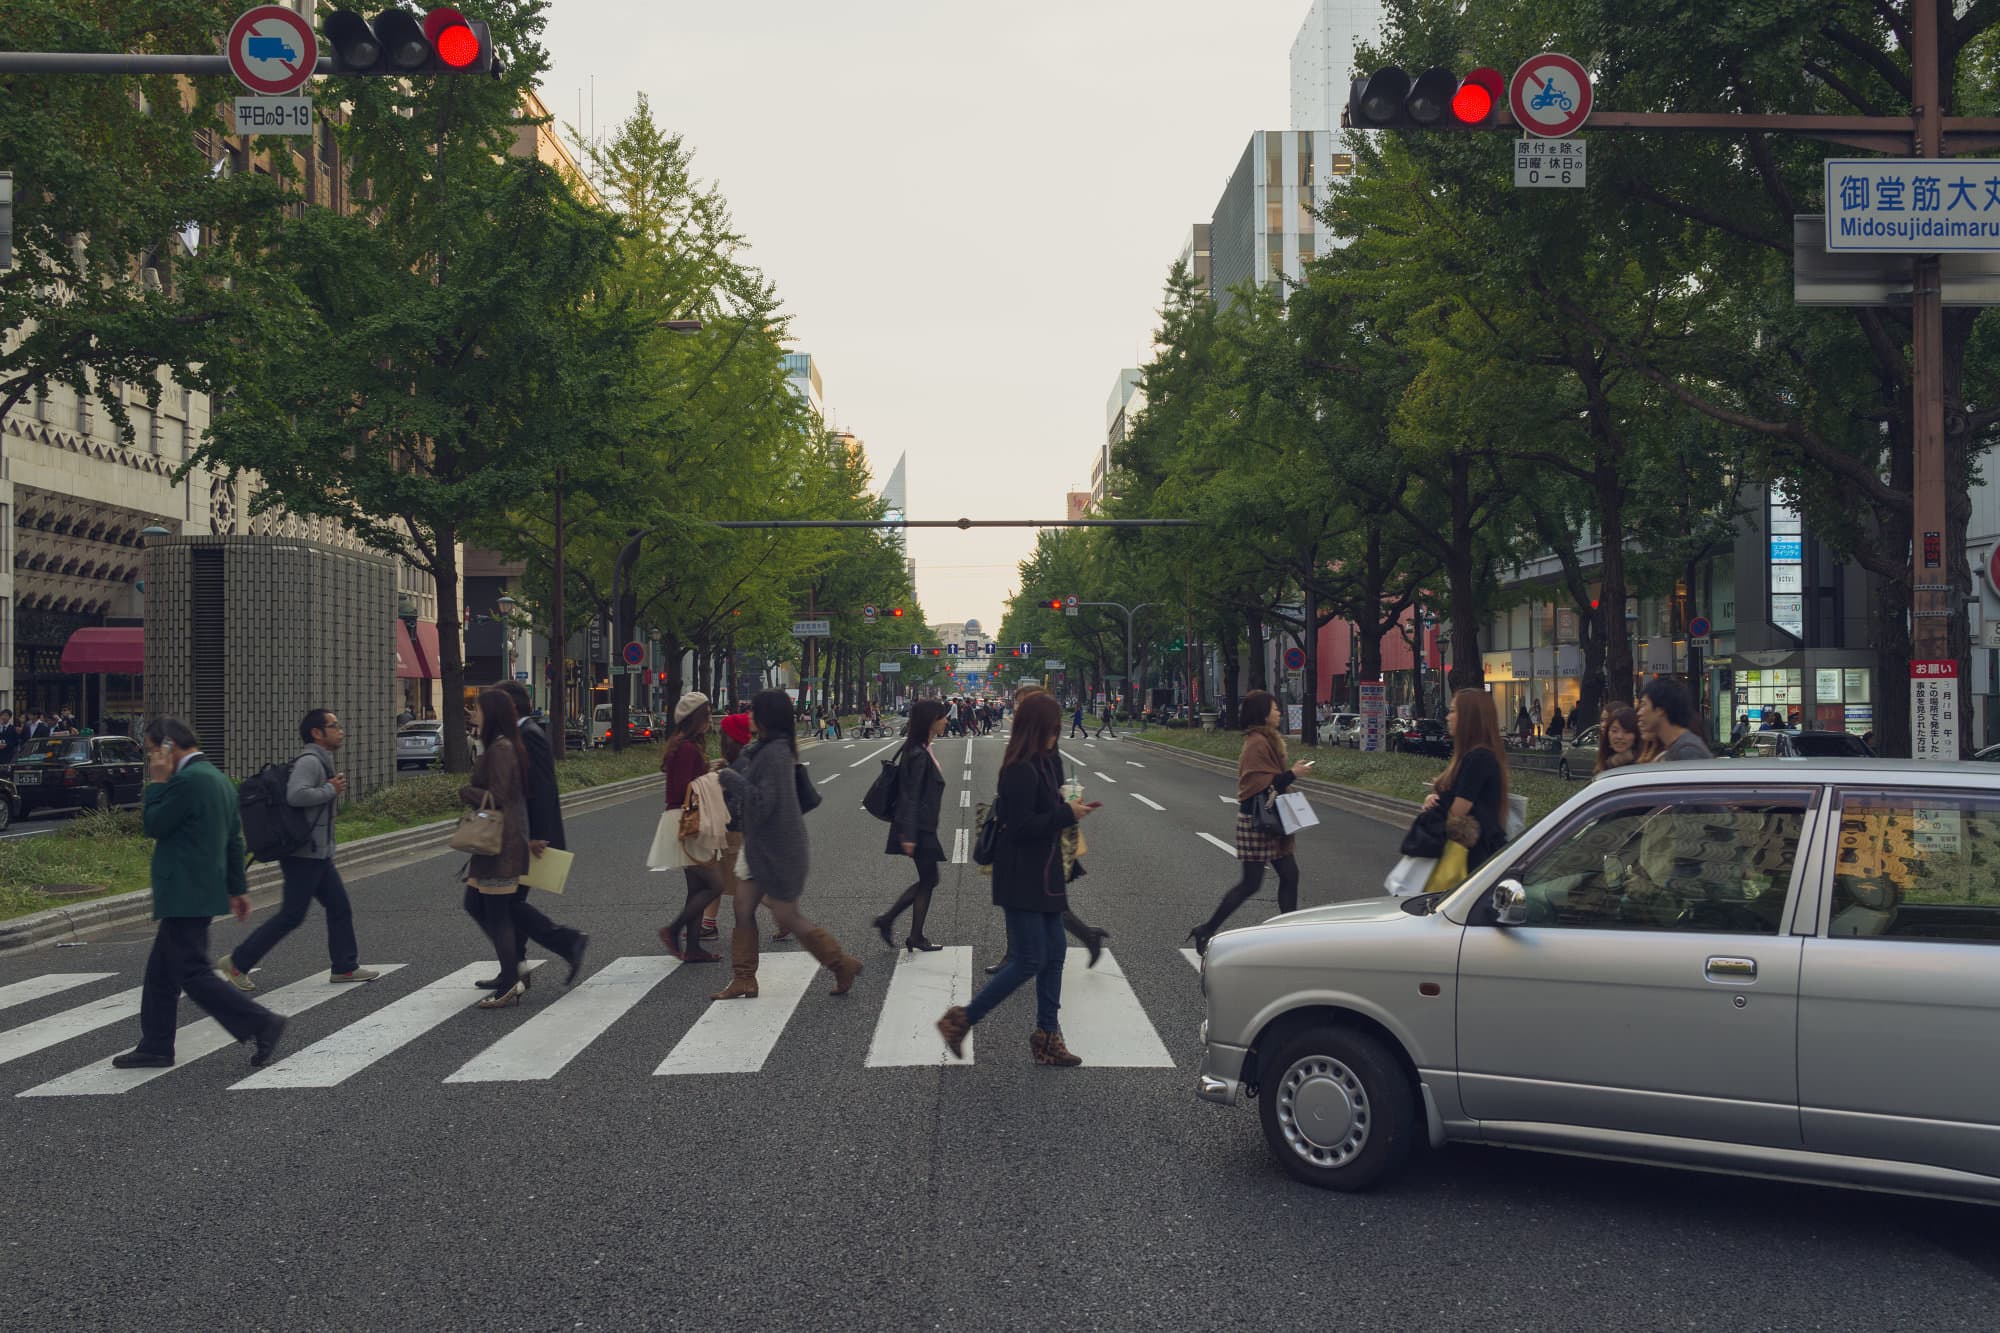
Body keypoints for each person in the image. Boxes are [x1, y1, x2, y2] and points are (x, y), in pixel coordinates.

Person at [110, 717, 286, 1070]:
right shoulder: (217, 778)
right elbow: (234, 839)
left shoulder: (186, 781)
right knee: (161, 972)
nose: (150, 761)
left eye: (151, 752)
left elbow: (154, 824)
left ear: (167, 747)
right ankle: (156, 1044)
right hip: (201, 887)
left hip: (185, 889)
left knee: (192, 971)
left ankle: (260, 1022)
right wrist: (238, 888)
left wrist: (158, 783)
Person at [937, 691, 1096, 1066]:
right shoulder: (1019, 769)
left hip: (1047, 870)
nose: (1057, 734)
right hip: (1021, 873)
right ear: (1040, 727)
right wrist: (1066, 814)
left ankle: (1047, 1036)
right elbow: (1022, 827)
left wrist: (1070, 805)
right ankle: (961, 1020)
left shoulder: (1046, 762)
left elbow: (1052, 807)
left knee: (1055, 954)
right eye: (1054, 727)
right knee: (1029, 959)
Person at [220, 709, 380, 992]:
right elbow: (296, 795)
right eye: (334, 725)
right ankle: (237, 962)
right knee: (292, 915)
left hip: (316, 854)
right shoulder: (310, 761)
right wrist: (330, 790)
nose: (340, 730)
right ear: (317, 733)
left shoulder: (319, 759)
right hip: (304, 855)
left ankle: (345, 967)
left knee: (339, 907)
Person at [717, 689, 863, 996]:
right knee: (742, 908)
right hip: (760, 844)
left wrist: (729, 778)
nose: (750, 717)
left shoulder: (775, 753)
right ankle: (744, 977)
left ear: (768, 716)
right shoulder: (765, 749)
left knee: (787, 916)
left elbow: (763, 801)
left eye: (754, 712)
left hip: (779, 848)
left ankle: (841, 963)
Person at [1187, 689, 1312, 955]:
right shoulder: (1257, 742)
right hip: (1257, 821)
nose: (1278, 712)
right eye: (1275, 708)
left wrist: (1290, 773)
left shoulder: (1266, 740)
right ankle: (1207, 928)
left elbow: (1267, 781)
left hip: (1268, 820)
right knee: (1252, 883)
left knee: (1289, 875)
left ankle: (1290, 935)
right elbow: (1259, 785)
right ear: (1262, 713)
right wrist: (1293, 774)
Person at [493, 681, 589, 989]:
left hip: (529, 837)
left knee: (505, 902)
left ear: (511, 706)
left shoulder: (529, 736)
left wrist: (536, 836)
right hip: (524, 835)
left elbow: (541, 788)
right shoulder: (523, 734)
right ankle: (515, 965)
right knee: (509, 901)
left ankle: (566, 941)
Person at [457, 688, 536, 1008]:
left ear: (491, 713)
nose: (472, 714)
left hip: (500, 843)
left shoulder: (501, 748)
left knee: (497, 914)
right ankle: (511, 969)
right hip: (498, 843)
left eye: (476, 709)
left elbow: (499, 796)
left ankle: (509, 980)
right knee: (475, 904)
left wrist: (467, 792)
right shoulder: (498, 745)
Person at [872, 698, 949, 952]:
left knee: (929, 879)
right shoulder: (917, 753)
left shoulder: (921, 748)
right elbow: (910, 795)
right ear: (931, 721)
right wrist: (908, 834)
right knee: (929, 879)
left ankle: (899, 926)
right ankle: (897, 925)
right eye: (942, 717)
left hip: (920, 827)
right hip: (917, 828)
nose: (946, 720)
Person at [656, 692, 726, 963]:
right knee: (715, 885)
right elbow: (685, 787)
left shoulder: (682, 744)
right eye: (706, 714)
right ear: (695, 718)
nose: (710, 719)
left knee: (697, 888)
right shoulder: (686, 748)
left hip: (682, 819)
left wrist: (708, 769)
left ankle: (694, 947)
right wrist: (711, 775)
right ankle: (673, 930)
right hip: (689, 821)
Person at [1421, 688, 1512, 874]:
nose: (1448, 717)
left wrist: (1435, 804)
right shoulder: (1479, 756)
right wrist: (1435, 799)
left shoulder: (1478, 758)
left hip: (1472, 860)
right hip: (1474, 856)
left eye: (1454, 711)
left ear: (1470, 718)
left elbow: (1457, 811)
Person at [1640, 678, 1712, 761]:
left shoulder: (1688, 751)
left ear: (1660, 710)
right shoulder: (1676, 747)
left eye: (1643, 705)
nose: (1639, 713)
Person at [1593, 705, 1642, 776]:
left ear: (1636, 735)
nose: (1620, 736)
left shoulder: (1643, 766)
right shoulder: (1605, 762)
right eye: (1614, 730)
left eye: (1627, 732)